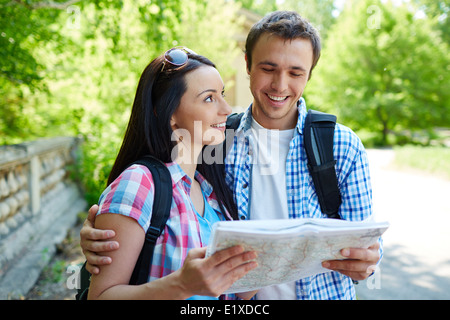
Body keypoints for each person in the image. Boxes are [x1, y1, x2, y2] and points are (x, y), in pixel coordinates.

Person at [80, 11, 382, 300]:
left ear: (309, 75)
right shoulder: (219, 143)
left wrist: (368, 261)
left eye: (295, 72)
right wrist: (104, 232)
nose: (279, 85)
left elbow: (368, 251)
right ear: (248, 64)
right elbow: (149, 210)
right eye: (268, 68)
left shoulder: (340, 146)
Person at [84, 47, 258, 300]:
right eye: (209, 98)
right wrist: (181, 285)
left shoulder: (210, 189)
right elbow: (101, 297)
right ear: (170, 114)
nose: (227, 108)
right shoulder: (139, 183)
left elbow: (240, 292)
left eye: (221, 94)